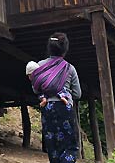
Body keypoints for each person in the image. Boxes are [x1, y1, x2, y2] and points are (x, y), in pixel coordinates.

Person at [30, 32, 82, 163]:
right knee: (69, 145)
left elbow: (35, 89)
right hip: (64, 108)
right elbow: (77, 94)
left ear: (49, 48)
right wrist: (65, 92)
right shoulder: (69, 68)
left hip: (47, 107)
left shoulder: (40, 65)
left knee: (52, 144)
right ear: (65, 49)